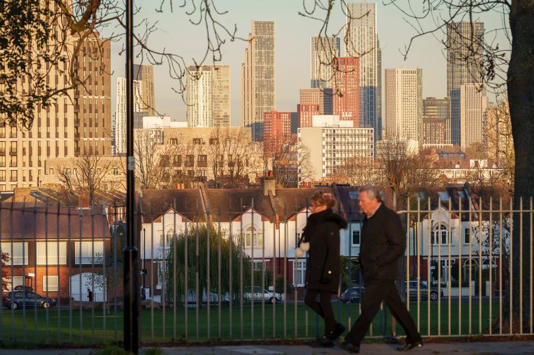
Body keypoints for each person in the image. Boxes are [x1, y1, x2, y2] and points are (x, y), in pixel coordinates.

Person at [341, 185, 423, 353]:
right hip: (373, 271)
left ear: (373, 200)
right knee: (396, 307)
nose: (359, 205)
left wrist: (378, 263)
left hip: (382, 272)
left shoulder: (388, 218)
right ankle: (415, 338)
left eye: (362, 201)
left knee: (369, 306)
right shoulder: (369, 217)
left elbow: (398, 245)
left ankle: (353, 340)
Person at [297, 191, 347, 347]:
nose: (311, 208)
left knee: (325, 302)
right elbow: (313, 242)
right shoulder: (315, 222)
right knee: (309, 300)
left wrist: (329, 273)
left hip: (326, 269)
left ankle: (328, 336)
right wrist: (304, 246)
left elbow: (333, 251)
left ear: (324, 206)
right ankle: (335, 327)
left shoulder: (330, 224)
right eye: (311, 205)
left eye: (314, 206)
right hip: (315, 267)